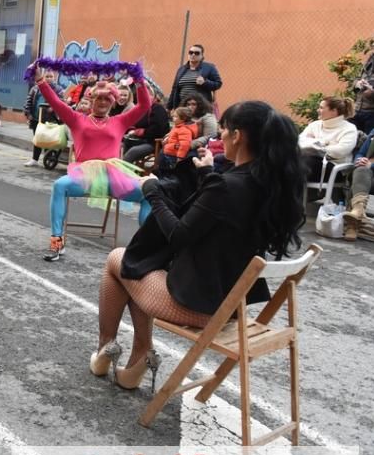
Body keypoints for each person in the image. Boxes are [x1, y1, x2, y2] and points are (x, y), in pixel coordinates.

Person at [92, 101, 305, 390]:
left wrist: (152, 193)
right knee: (140, 264)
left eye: (224, 131)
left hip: (198, 305)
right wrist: (208, 174)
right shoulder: (269, 186)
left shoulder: (226, 186)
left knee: (121, 260)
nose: (220, 138)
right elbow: (223, 211)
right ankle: (135, 357)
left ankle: (111, 347)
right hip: (231, 302)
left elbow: (179, 235)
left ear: (238, 136)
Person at [31, 64, 153, 262]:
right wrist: (40, 81)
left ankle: (146, 247)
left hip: (114, 175)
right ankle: (56, 241)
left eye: (107, 99)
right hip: (85, 174)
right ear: (91, 99)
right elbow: (55, 102)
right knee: (59, 185)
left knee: (150, 192)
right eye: (99, 98)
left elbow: (145, 106)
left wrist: (139, 80)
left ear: (113, 102)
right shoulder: (77, 119)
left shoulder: (120, 121)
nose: (103, 102)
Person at [297, 96, 359, 183]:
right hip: (310, 162)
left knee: (300, 164)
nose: (318, 110)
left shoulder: (349, 128)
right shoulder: (315, 125)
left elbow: (341, 151)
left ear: (334, 111)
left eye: (321, 108)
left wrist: (314, 144)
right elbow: (299, 143)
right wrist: (324, 144)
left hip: (335, 168)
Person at [342, 125, 374, 241]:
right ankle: (358, 209)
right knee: (361, 170)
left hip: (373, 172)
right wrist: (359, 160)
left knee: (360, 176)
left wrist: (373, 165)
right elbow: (360, 153)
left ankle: (352, 226)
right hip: (367, 174)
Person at [122, 85, 169, 166]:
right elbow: (132, 123)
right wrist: (131, 130)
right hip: (138, 140)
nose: (145, 96)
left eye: (148, 94)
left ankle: (123, 174)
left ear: (153, 95)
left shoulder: (158, 109)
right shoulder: (139, 109)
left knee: (132, 152)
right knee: (124, 144)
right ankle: (128, 171)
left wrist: (138, 132)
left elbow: (158, 130)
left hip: (153, 143)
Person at [167, 44, 222, 110]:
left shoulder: (209, 68)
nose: (193, 55)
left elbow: (218, 83)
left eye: (197, 53)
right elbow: (174, 89)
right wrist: (169, 107)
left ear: (202, 56)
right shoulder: (181, 69)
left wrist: (205, 82)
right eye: (191, 52)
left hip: (200, 108)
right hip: (182, 108)